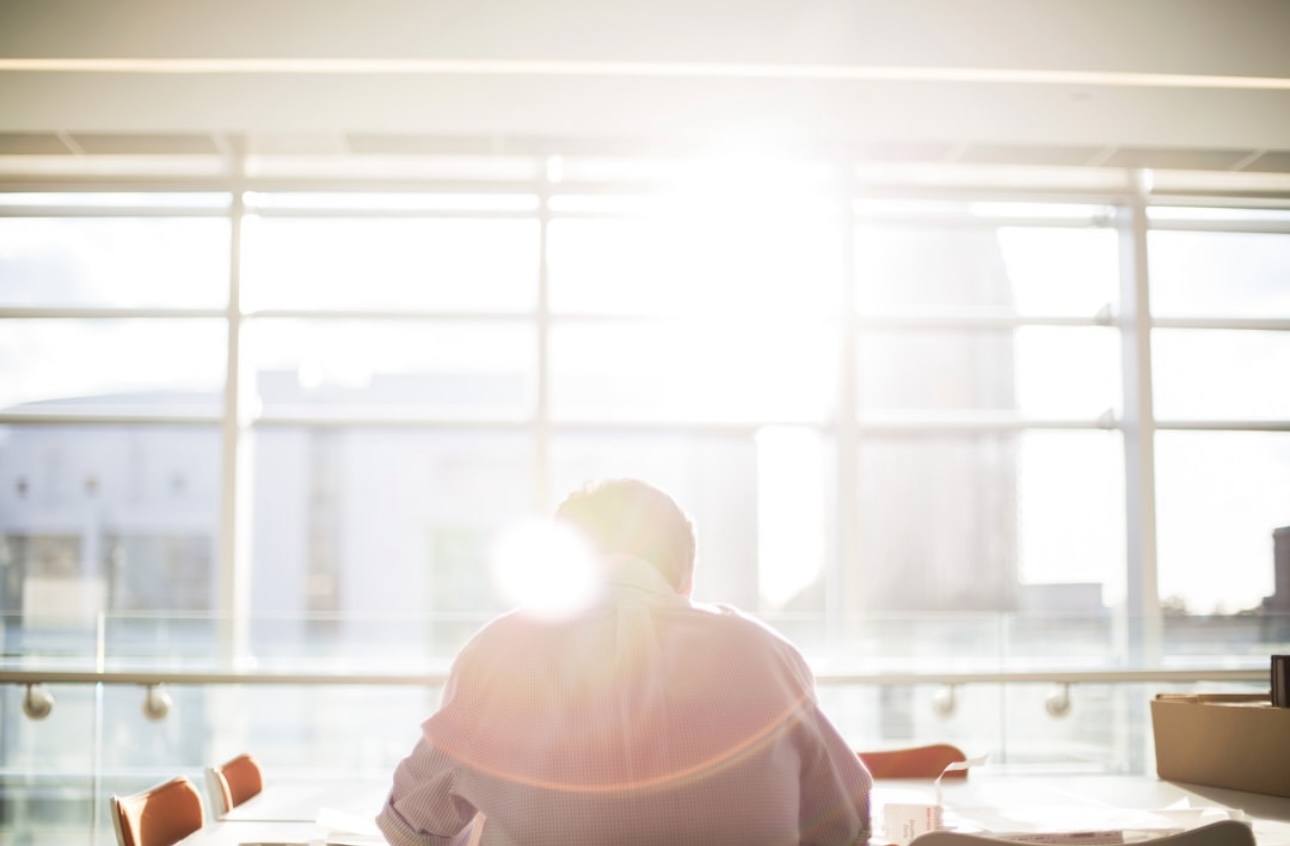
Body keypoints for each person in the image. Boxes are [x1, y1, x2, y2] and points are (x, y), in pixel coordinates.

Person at [377, 478, 872, 846]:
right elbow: (848, 822)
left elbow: (411, 826)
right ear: (686, 576)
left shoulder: (499, 653)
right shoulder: (766, 654)